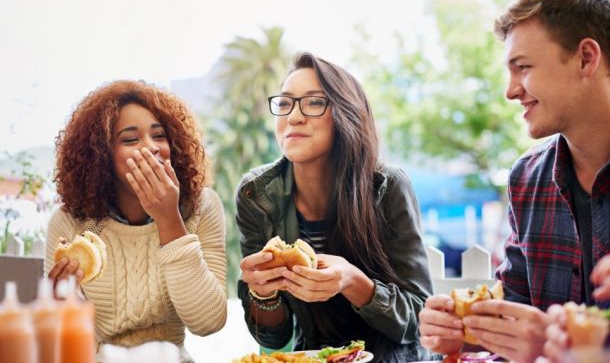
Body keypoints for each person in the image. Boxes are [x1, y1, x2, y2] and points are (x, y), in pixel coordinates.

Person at [418, 0, 610, 362]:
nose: (510, 91)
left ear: (586, 58)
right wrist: (463, 331)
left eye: (523, 67)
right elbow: (516, 306)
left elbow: (540, 339)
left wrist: (560, 343)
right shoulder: (527, 177)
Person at [235, 52, 434, 362]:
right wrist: (263, 293)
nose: (293, 116)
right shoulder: (256, 195)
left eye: (314, 103)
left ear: (346, 114)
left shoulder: (387, 186)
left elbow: (417, 320)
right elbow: (273, 337)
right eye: (285, 103)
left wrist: (353, 282)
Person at [45, 80, 227, 363]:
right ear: (101, 155)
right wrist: (66, 308)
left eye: (159, 136)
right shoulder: (72, 223)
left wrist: (169, 219)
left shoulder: (201, 208)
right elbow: (65, 341)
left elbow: (208, 322)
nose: (150, 148)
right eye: (130, 140)